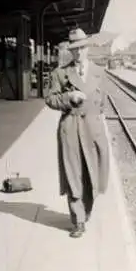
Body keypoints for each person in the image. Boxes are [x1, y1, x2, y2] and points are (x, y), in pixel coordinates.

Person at [45, 28, 109, 238]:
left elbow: (103, 104)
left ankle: (86, 210)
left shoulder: (100, 72)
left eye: (81, 48)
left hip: (92, 129)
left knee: (91, 173)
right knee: (73, 174)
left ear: (87, 48)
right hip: (70, 128)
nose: (78, 53)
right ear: (70, 52)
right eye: (74, 49)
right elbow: (50, 99)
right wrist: (68, 97)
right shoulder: (60, 73)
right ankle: (78, 219)